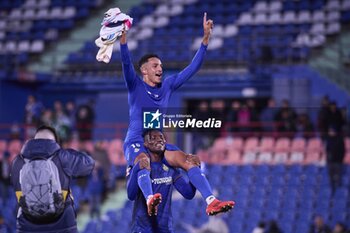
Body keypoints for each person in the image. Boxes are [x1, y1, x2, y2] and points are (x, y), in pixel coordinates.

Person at [120, 12, 234, 216]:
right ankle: (149, 199)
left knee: (189, 160)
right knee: (143, 161)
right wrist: (123, 40)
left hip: (158, 143)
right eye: (155, 66)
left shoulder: (168, 85)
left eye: (161, 66)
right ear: (144, 71)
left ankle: (211, 201)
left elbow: (192, 68)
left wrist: (205, 40)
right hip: (136, 141)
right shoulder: (135, 85)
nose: (160, 69)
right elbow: (127, 64)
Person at [10, 125, 95, 233]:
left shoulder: (17, 162)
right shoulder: (63, 156)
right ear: (54, 142)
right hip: (63, 227)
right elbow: (89, 164)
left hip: (26, 228)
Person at [128, 129, 197, 232]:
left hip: (165, 228)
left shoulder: (171, 169)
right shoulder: (141, 167)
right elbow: (131, 195)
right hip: (142, 228)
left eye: (161, 137)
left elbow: (188, 193)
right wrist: (136, 168)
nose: (159, 140)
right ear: (145, 144)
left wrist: (193, 169)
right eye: (153, 138)